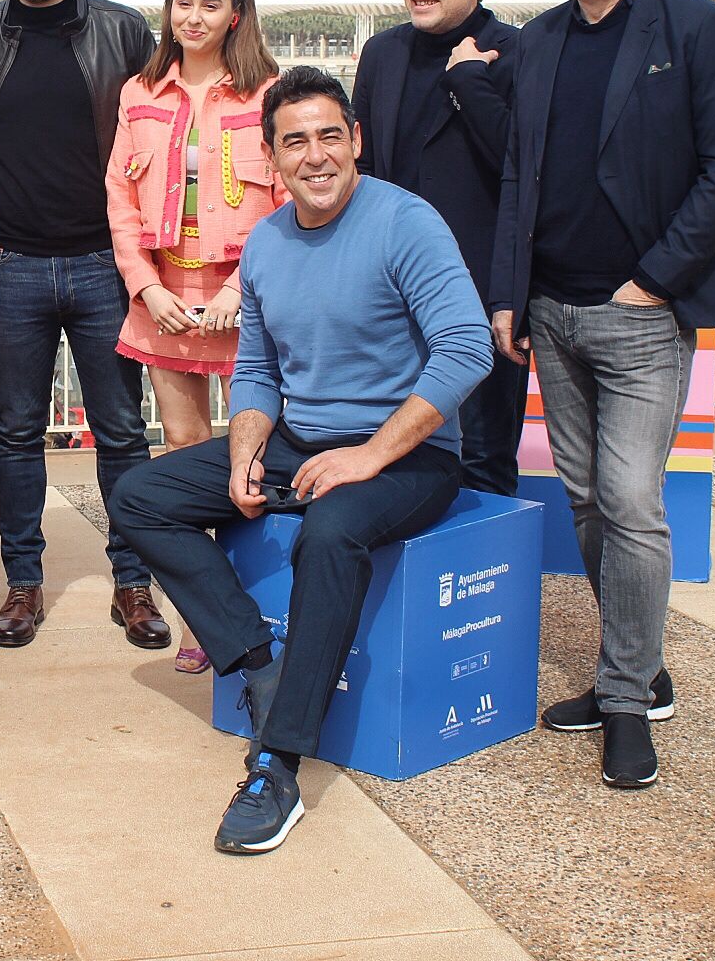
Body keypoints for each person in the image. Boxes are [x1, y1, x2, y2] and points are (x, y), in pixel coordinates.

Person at [109, 66, 492, 855]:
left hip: (409, 452)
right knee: (142, 494)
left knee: (330, 530)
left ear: (354, 140)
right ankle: (255, 662)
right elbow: (258, 368)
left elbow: (466, 349)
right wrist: (246, 451)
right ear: (273, 160)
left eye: (328, 136)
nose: (314, 156)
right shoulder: (270, 243)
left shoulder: (406, 223)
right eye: (294, 142)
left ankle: (277, 765)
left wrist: (367, 455)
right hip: (300, 439)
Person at [490, 0, 715, 789]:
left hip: (642, 314)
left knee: (635, 504)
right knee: (589, 502)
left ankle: (627, 700)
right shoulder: (541, 41)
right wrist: (509, 295)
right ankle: (638, 662)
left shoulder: (692, 29)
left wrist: (653, 281)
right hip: (553, 316)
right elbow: (521, 174)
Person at [0, 0, 168, 650]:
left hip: (102, 266)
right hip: (12, 265)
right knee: (14, 431)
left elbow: (162, 124)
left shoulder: (120, 30)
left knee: (120, 431)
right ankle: (22, 583)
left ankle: (133, 584)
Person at [105, 0, 282, 672]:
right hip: (165, 298)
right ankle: (200, 618)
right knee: (181, 457)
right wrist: (145, 287)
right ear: (168, 8)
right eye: (183, 2)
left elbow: (288, 200)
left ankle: (254, 599)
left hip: (246, 301)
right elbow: (118, 198)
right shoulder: (139, 92)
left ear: (234, 13)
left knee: (249, 454)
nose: (195, 17)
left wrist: (243, 288)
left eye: (211, 5)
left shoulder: (267, 95)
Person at [352, 0, 527, 497]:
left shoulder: (514, 52)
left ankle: (487, 580)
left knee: (483, 452)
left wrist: (470, 83)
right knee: (388, 444)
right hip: (389, 292)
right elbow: (365, 170)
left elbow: (521, 168)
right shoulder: (383, 53)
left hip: (478, 294)